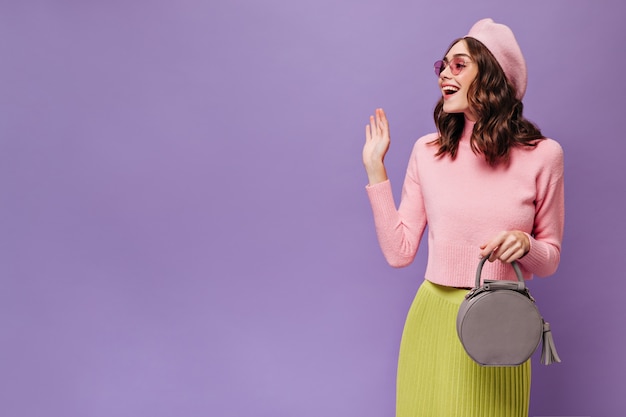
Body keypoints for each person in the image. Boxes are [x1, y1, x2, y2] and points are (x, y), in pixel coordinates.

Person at [362, 18, 564, 417]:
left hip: (499, 322)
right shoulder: (427, 151)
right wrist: (374, 169)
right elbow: (400, 252)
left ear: (491, 75)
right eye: (444, 66)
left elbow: (551, 257)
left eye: (459, 65)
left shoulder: (544, 155)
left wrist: (526, 245)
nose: (444, 75)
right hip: (432, 317)